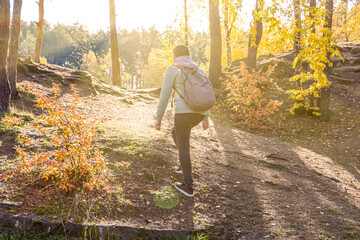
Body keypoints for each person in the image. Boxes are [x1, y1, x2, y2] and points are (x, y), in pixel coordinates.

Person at [155, 45, 210, 197]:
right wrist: (206, 117)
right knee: (176, 133)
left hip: (183, 113)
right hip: (198, 113)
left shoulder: (172, 69)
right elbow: (205, 93)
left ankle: (188, 185)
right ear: (188, 55)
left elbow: (165, 95)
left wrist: (158, 117)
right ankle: (183, 165)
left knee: (184, 146)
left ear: (174, 56)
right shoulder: (198, 70)